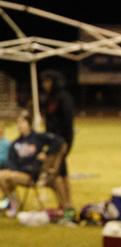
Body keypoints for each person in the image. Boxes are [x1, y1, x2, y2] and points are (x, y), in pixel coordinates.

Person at [0, 111, 65, 217]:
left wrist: (46, 153)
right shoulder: (16, 143)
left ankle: (13, 204)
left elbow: (59, 141)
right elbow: (11, 160)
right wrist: (14, 169)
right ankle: (13, 201)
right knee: (0, 176)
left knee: (7, 176)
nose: (20, 125)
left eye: (22, 122)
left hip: (34, 173)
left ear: (28, 124)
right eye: (18, 123)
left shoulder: (38, 137)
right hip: (18, 172)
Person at [41, 70, 75, 211]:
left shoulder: (63, 97)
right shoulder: (51, 97)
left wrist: (66, 143)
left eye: (47, 81)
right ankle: (67, 203)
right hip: (53, 141)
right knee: (62, 172)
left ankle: (66, 205)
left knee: (56, 174)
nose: (45, 84)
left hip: (61, 141)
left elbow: (68, 122)